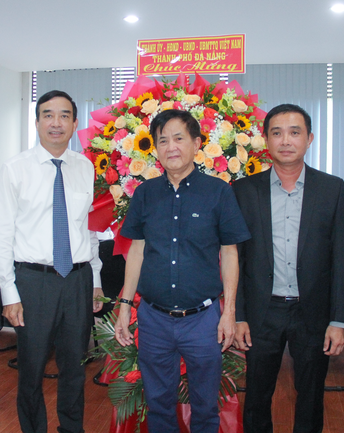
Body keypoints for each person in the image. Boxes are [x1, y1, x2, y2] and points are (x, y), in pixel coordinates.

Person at [114, 109, 251, 433]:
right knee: (158, 406)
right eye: (163, 140)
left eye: (179, 138)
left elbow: (229, 253)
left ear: (197, 144)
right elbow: (137, 250)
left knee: (205, 407)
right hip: (154, 319)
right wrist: (124, 306)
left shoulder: (219, 192)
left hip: (203, 320)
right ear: (156, 148)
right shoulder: (145, 194)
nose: (171, 146)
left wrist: (228, 312)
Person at [233, 104, 344, 433]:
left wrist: (339, 320)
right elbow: (236, 260)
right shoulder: (244, 191)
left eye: (295, 132)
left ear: (310, 138)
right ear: (266, 140)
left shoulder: (332, 189)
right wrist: (238, 314)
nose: (286, 140)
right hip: (262, 312)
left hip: (312, 312)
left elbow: (342, 259)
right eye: (277, 132)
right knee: (257, 395)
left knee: (312, 395)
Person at [0, 90, 104, 433]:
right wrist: (9, 294)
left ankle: (71, 428)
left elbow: (89, 230)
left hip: (77, 279)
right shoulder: (15, 169)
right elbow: (2, 235)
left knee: (75, 364)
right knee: (31, 365)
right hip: (33, 281)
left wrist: (96, 281)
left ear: (74, 122)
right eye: (47, 115)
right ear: (38, 120)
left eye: (63, 115)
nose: (55, 123)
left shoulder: (85, 167)